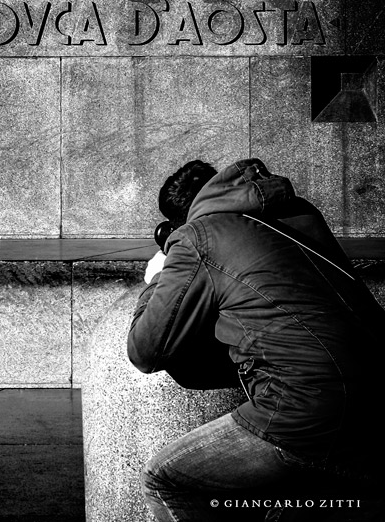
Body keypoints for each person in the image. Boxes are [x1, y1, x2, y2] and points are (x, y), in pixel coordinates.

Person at [127, 158, 385, 521]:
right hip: (376, 398)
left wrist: (158, 276)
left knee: (164, 478)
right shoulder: (297, 215)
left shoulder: (198, 235)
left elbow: (145, 350)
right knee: (284, 506)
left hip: (307, 410)